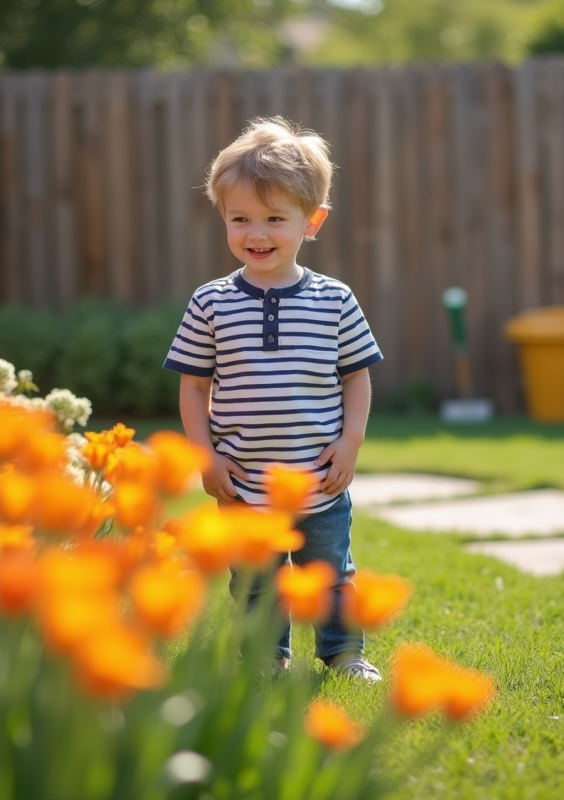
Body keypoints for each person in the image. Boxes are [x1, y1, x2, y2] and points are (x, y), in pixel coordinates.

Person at [162, 116, 383, 682]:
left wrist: (350, 442)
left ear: (313, 222)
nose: (255, 233)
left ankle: (344, 654)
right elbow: (193, 385)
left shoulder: (334, 300)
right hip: (242, 479)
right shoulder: (211, 303)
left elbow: (357, 375)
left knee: (329, 572)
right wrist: (205, 456)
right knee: (254, 578)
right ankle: (266, 659)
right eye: (240, 219)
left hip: (318, 475)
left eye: (274, 219)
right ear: (223, 220)